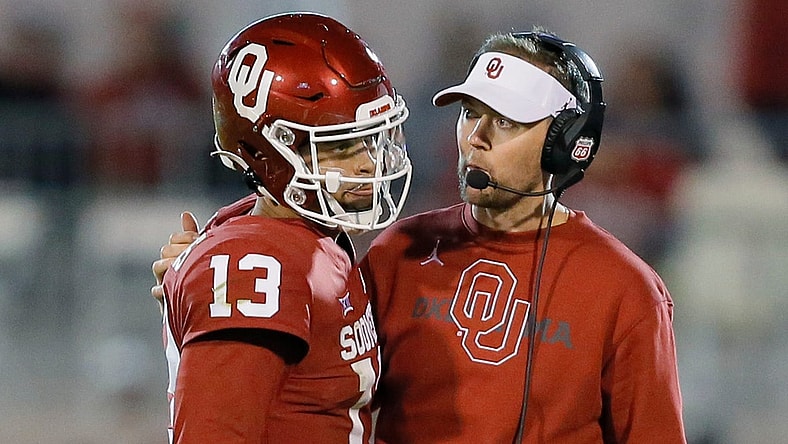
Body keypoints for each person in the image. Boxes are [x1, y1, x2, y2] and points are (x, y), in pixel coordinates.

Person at [153, 28, 686, 443]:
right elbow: (312, 374)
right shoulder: (398, 252)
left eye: (505, 121)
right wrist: (210, 263)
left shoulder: (627, 290)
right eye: (470, 113)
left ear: (565, 143)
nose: (475, 138)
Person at [157, 12, 411, 443]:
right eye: (340, 146)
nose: (368, 164)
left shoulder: (302, 237)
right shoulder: (255, 263)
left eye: (371, 139)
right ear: (265, 151)